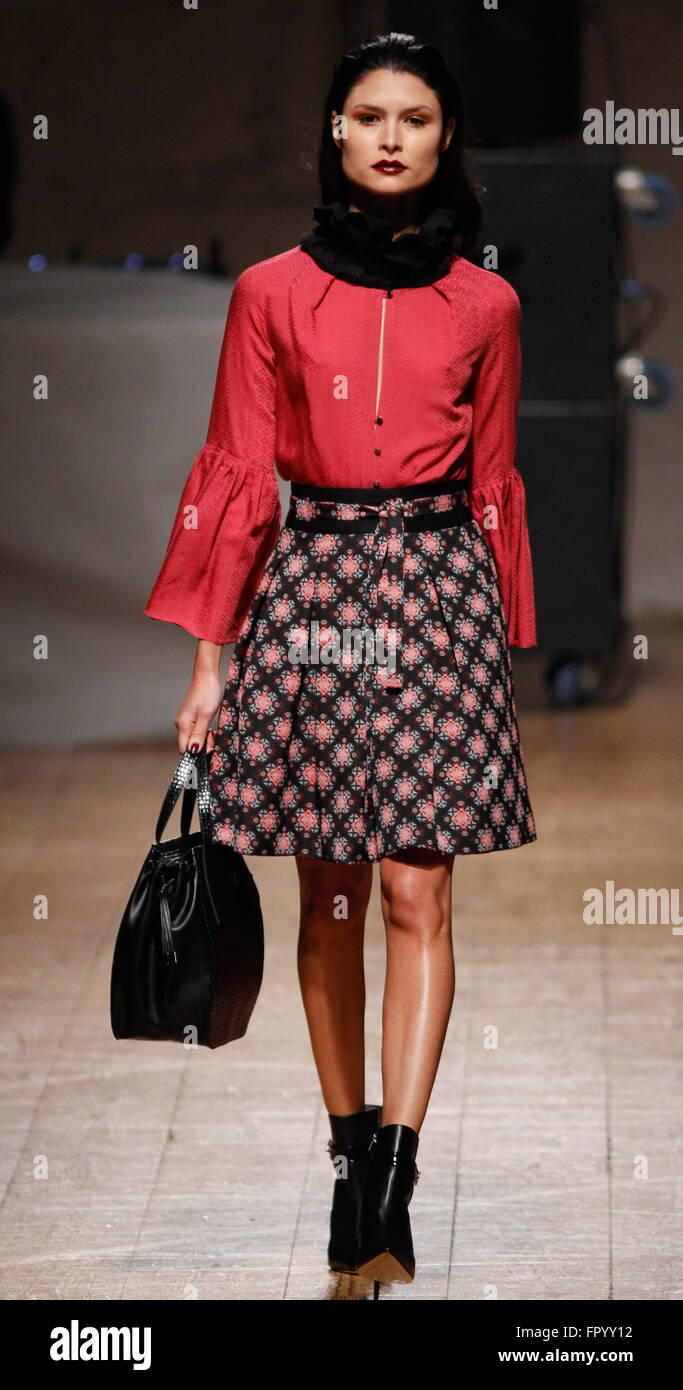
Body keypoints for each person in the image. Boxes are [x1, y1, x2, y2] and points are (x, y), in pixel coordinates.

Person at [142, 32, 538, 1292]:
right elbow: (235, 475)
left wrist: (495, 659)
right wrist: (209, 668)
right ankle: (344, 1148)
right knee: (331, 896)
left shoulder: (487, 304)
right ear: (331, 130)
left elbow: (491, 487)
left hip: (434, 593)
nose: (386, 136)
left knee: (421, 892)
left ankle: (392, 1177)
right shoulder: (268, 292)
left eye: (412, 118)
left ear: (442, 141)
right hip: (312, 587)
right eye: (364, 113)